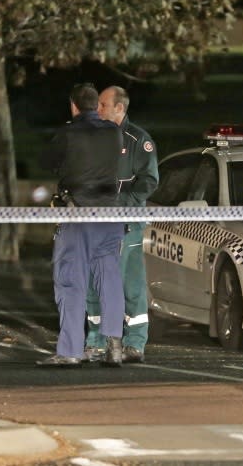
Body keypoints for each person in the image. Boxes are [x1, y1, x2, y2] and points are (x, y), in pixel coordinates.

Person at [37, 83, 126, 367]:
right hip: (110, 217)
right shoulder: (114, 132)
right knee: (110, 280)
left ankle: (71, 350)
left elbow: (46, 161)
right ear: (95, 105)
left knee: (71, 282)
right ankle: (114, 346)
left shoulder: (68, 133)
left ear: (73, 105)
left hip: (78, 217)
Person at [84, 85, 159, 364]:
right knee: (95, 282)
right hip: (95, 222)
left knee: (131, 283)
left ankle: (135, 343)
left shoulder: (139, 140)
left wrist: (122, 203)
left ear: (119, 108)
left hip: (127, 223)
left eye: (103, 105)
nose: (97, 109)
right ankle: (97, 340)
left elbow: (149, 181)